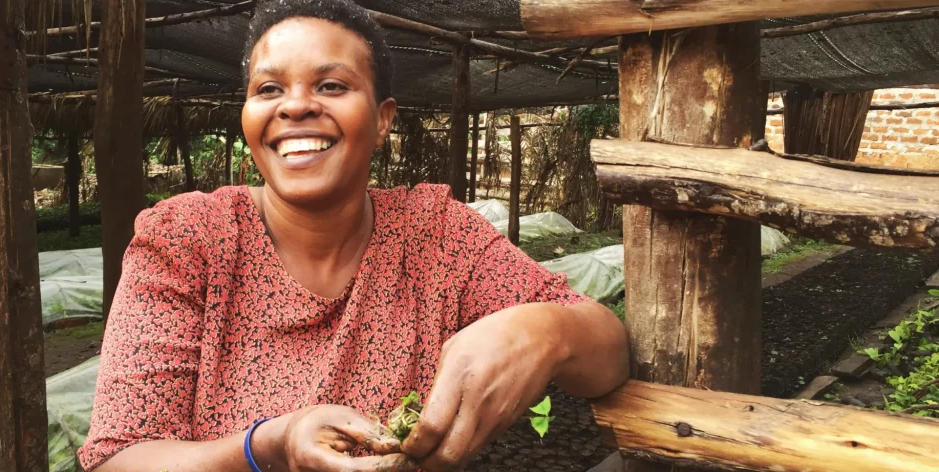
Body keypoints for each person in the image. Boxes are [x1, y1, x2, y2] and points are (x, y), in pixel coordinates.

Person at [78, 0, 629, 471]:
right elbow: (118, 458)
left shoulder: (436, 235)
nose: (296, 105)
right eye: (269, 88)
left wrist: (545, 329)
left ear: (383, 119)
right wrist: (270, 444)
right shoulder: (188, 240)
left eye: (331, 85)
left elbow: (608, 354)